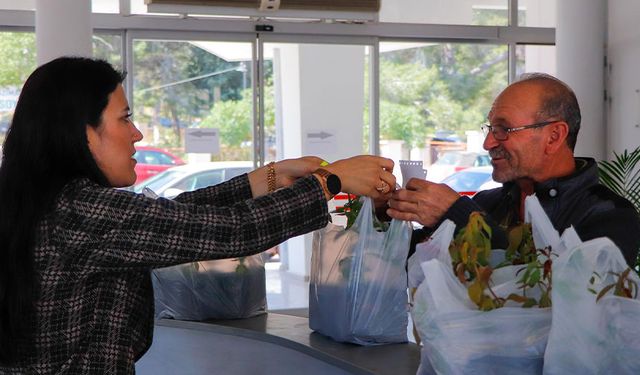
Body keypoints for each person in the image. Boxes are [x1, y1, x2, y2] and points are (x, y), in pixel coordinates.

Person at [0, 56, 396, 373]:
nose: (136, 133)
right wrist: (332, 180)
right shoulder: (81, 209)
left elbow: (171, 218)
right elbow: (232, 232)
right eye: (124, 118)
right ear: (84, 132)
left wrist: (266, 179)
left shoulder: (44, 201)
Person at [386, 72, 640, 267]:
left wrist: (464, 218)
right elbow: (407, 262)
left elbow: (556, 292)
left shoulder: (610, 216)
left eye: (504, 129)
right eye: (490, 129)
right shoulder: (489, 204)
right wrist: (386, 211)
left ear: (554, 136)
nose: (488, 143)